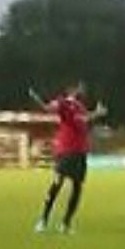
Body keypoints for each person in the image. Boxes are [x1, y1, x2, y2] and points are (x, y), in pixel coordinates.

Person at [31, 81, 107, 234]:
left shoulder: (80, 107)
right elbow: (49, 108)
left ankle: (66, 223)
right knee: (57, 183)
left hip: (80, 152)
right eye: (79, 87)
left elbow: (84, 119)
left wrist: (97, 113)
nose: (82, 90)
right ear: (71, 90)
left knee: (77, 188)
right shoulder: (63, 103)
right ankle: (43, 220)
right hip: (66, 151)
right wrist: (37, 99)